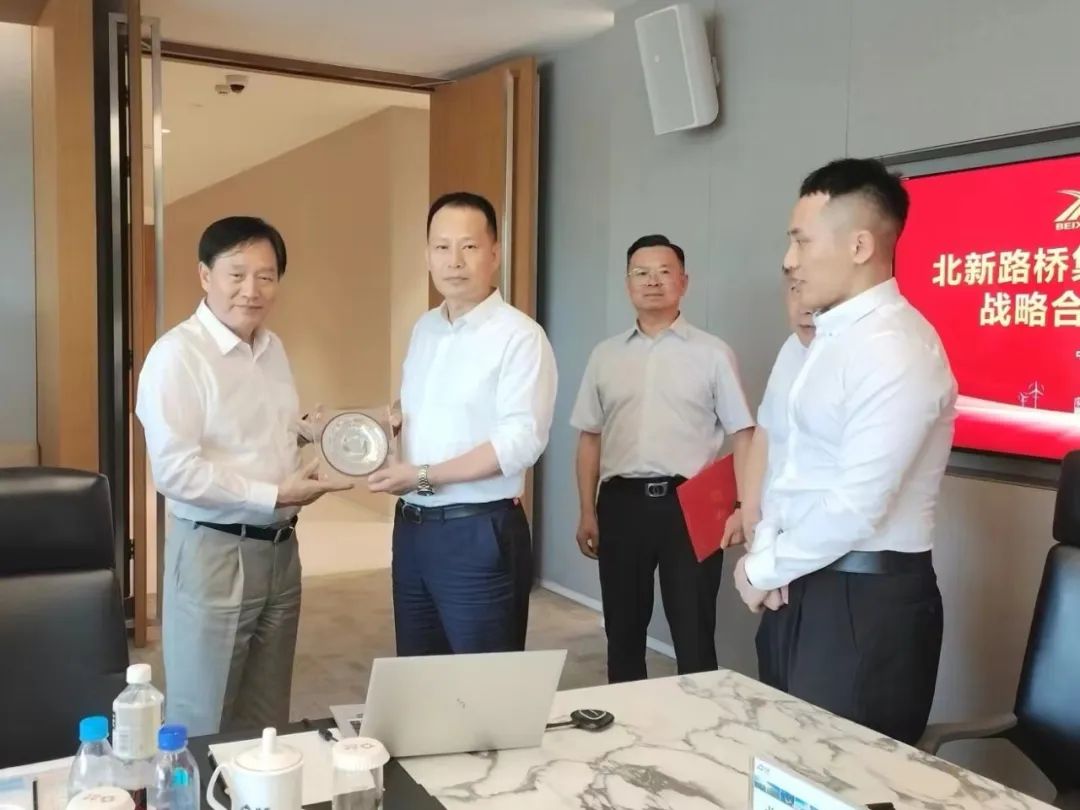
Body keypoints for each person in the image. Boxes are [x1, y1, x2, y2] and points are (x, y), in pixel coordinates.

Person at [734, 158, 957, 744]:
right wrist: (769, 548)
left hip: (863, 602)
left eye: (802, 241)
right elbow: (789, 463)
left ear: (859, 246)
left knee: (840, 772)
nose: (790, 260)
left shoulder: (896, 348)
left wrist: (762, 567)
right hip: (801, 580)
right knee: (783, 759)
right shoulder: (825, 342)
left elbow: (857, 504)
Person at [136, 216, 349, 736]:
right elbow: (175, 471)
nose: (251, 290)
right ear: (204, 275)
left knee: (266, 718)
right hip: (214, 552)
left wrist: (306, 432)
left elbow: (255, 434)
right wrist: (275, 493)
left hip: (281, 553)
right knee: (202, 719)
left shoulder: (271, 348)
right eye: (236, 274)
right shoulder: (177, 356)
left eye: (266, 276)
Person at [368, 191, 557, 656]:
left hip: (478, 531)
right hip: (412, 530)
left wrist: (423, 476)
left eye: (469, 246)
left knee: (481, 680)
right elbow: (426, 408)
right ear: (428, 255)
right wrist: (381, 425)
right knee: (419, 671)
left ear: (495, 253)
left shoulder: (520, 337)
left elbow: (520, 441)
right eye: (442, 247)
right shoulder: (425, 328)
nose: (454, 261)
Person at [572, 234, 754, 684]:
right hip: (621, 504)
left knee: (694, 634)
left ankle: (697, 720)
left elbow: (744, 433)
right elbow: (589, 436)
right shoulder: (604, 355)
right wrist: (587, 511)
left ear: (684, 282)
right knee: (622, 632)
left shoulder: (713, 353)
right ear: (628, 283)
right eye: (641, 273)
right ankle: (626, 720)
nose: (652, 281)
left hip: (691, 504)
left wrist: (743, 507)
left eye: (664, 272)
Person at [740, 269, 815, 685]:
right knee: (774, 675)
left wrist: (768, 565)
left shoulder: (848, 357)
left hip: (815, 555)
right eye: (793, 290)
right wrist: (751, 516)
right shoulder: (790, 350)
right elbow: (764, 433)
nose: (803, 306)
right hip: (774, 550)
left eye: (810, 289)